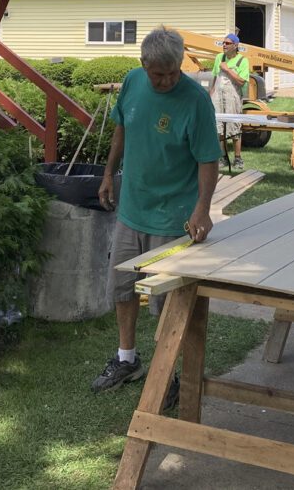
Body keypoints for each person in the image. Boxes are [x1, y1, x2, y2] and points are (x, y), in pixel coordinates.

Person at [93, 27, 220, 409]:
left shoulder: (196, 101)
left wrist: (202, 208)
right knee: (123, 287)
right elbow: (122, 129)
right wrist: (108, 173)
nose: (165, 80)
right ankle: (127, 359)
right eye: (158, 74)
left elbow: (208, 160)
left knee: (168, 303)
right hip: (132, 209)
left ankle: (169, 374)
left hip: (173, 217)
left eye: (172, 73)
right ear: (143, 65)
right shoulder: (133, 83)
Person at [207, 32, 250, 170]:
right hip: (218, 97)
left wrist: (227, 69)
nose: (224, 45)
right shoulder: (219, 57)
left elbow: (241, 81)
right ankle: (223, 157)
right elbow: (215, 78)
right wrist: (211, 94)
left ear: (235, 45)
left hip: (233, 98)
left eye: (227, 43)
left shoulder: (242, 61)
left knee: (234, 127)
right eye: (223, 43)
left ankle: (238, 158)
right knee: (219, 128)